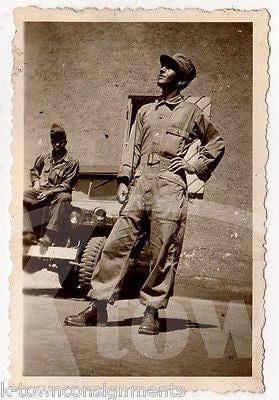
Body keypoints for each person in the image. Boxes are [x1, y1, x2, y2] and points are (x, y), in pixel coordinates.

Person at [65, 53, 225, 335]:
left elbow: (216, 142)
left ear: (183, 79)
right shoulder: (145, 112)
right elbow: (132, 147)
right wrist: (125, 180)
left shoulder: (192, 112)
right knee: (116, 244)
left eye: (171, 68)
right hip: (140, 183)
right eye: (163, 65)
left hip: (169, 185)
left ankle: (151, 312)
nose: (162, 69)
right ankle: (97, 307)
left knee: (163, 250)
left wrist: (192, 164)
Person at [23, 123, 79, 248]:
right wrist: (36, 182)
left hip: (57, 194)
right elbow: (34, 170)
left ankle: (49, 236)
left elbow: (67, 185)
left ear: (65, 142)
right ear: (51, 142)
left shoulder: (72, 162)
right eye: (54, 142)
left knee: (65, 197)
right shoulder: (45, 157)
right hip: (42, 191)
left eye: (60, 142)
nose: (57, 145)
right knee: (23, 195)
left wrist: (50, 192)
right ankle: (28, 232)